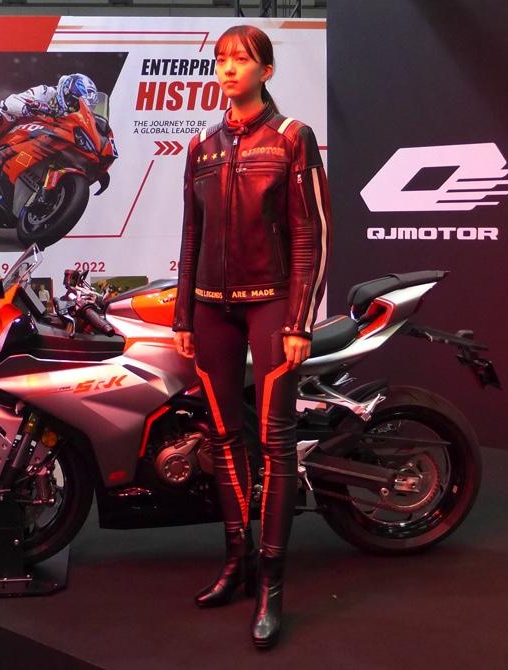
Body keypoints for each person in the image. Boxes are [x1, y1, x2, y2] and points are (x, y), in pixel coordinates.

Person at [172, 25, 332, 649]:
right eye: (221, 59)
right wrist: (183, 317)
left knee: (275, 442)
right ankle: (237, 560)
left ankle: (272, 583)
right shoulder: (200, 147)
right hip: (210, 310)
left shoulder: (293, 138)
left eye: (241, 59)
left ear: (266, 70)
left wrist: (299, 321)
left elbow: (312, 234)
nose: (228, 68)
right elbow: (190, 236)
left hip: (272, 306)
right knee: (222, 437)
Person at [0, 73, 99, 165]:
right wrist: (28, 108)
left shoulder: (71, 119)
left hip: (43, 142)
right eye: (75, 103)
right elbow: (10, 102)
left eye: (81, 107)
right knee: (3, 115)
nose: (75, 108)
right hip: (20, 128)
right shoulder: (46, 92)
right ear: (66, 92)